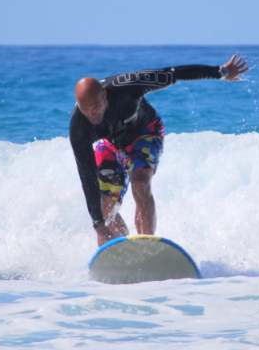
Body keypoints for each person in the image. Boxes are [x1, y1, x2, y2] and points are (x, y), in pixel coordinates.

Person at [69, 55, 249, 246]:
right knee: (105, 209)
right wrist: (98, 225)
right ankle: (120, 249)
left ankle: (147, 245)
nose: (92, 114)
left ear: (104, 95)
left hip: (145, 131)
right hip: (111, 143)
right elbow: (87, 176)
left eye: (96, 106)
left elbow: (174, 73)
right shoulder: (79, 128)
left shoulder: (127, 86)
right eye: (85, 108)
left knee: (140, 183)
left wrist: (221, 72)